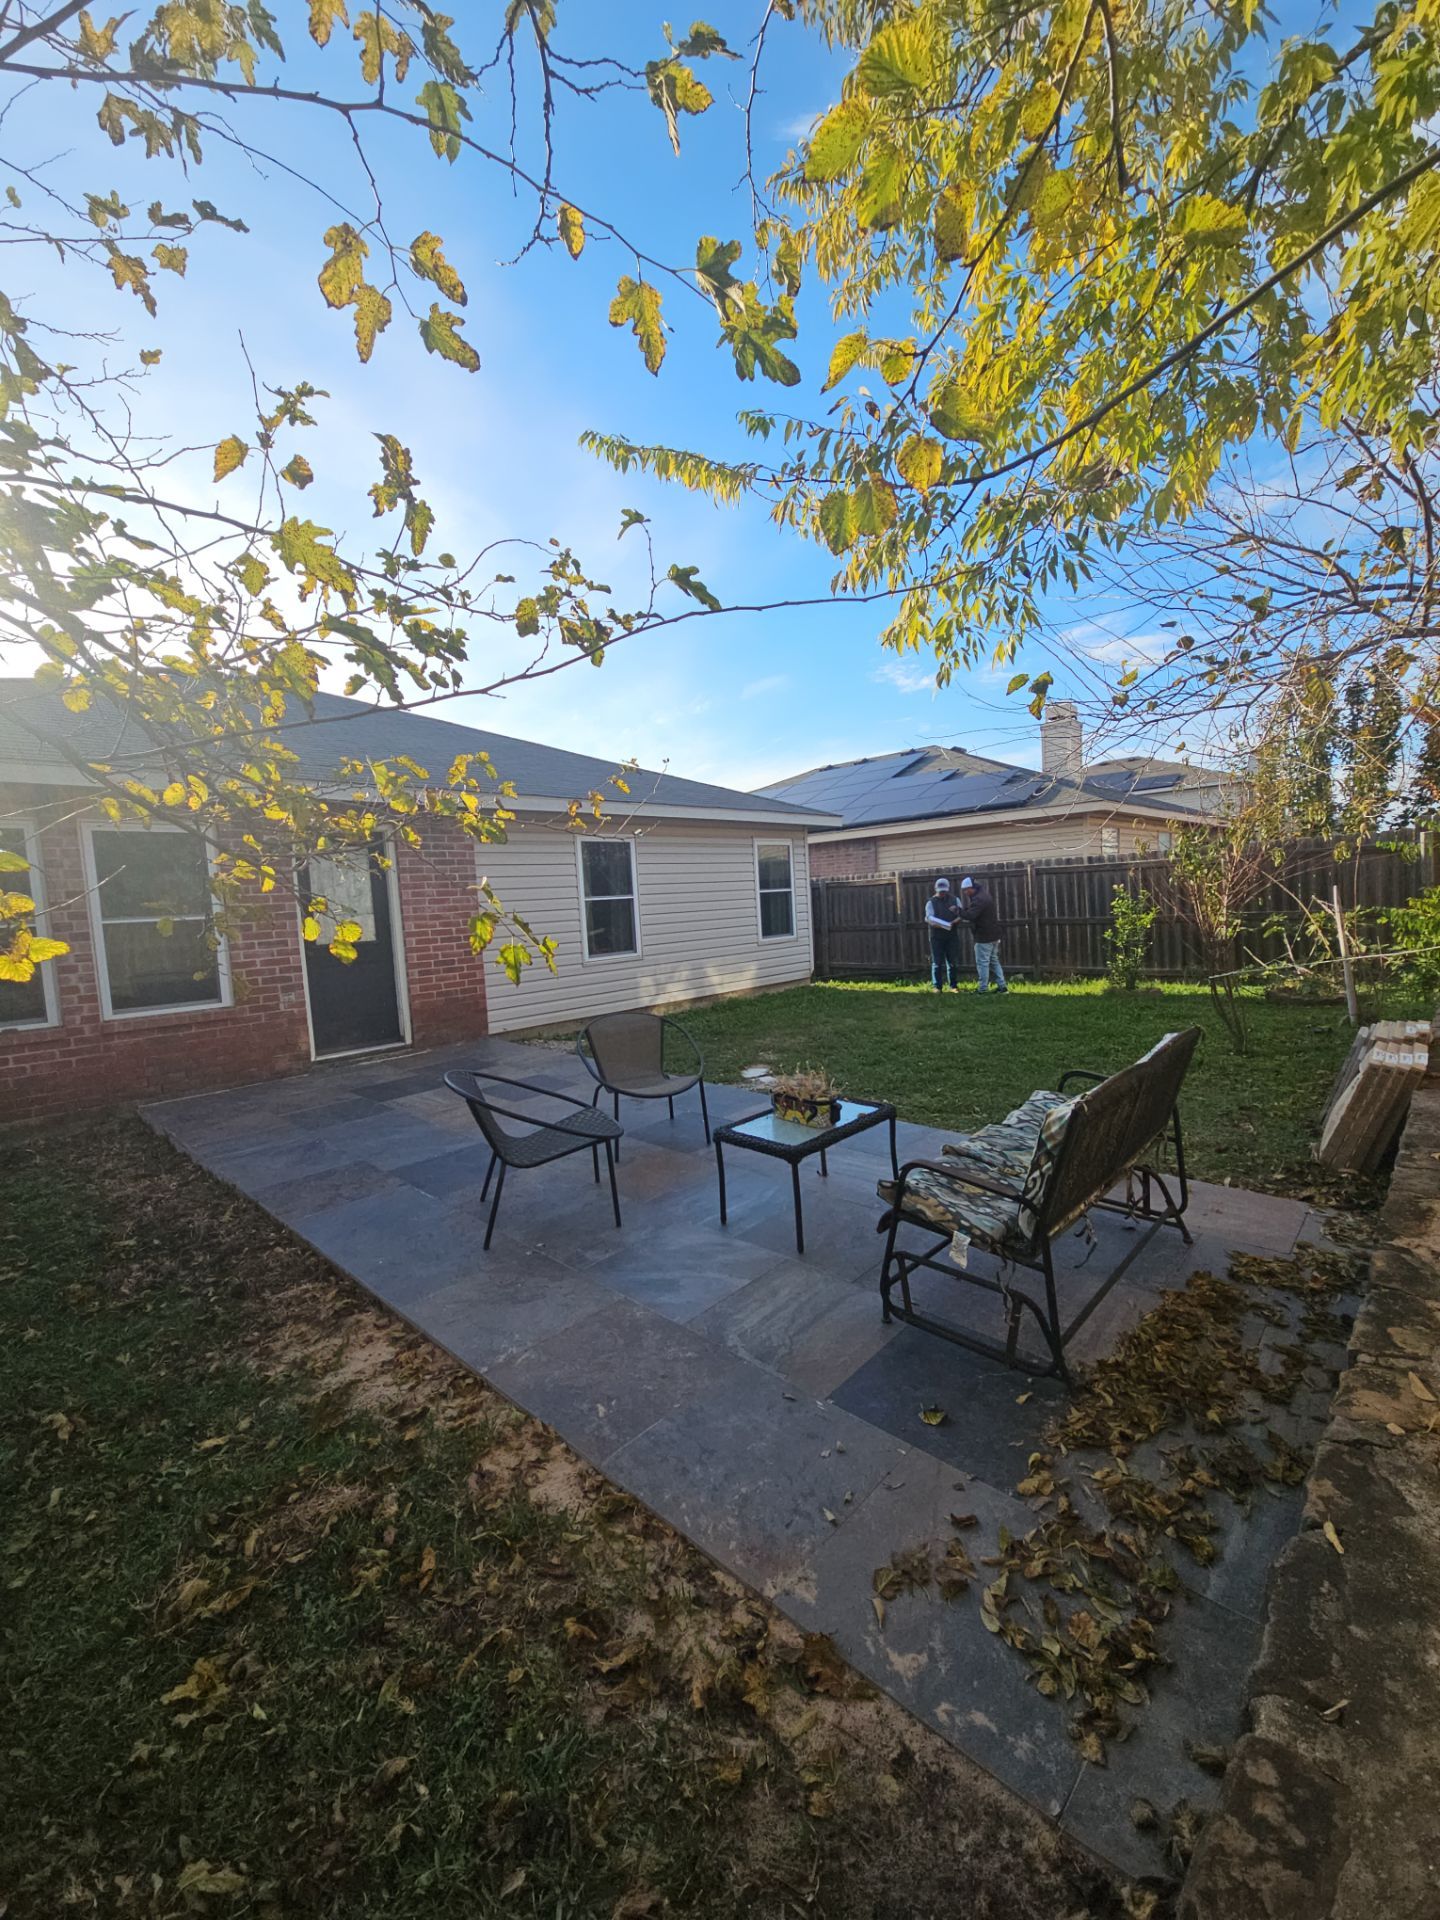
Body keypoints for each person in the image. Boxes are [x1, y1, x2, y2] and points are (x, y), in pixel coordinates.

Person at [959, 875, 1009, 994]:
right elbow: (975, 911)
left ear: (972, 887)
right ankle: (1002, 987)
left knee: (983, 963)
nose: (966, 892)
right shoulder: (984, 895)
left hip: (984, 936)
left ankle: (982, 989)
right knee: (994, 961)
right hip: (994, 935)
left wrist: (958, 911)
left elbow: (971, 915)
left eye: (967, 890)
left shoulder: (978, 899)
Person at [923, 876, 963, 992]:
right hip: (936, 936)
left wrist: (954, 922)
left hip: (952, 935)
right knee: (937, 962)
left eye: (944, 891)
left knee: (952, 962)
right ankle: (937, 986)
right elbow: (929, 918)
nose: (942, 894)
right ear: (936, 889)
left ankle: (953, 986)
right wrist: (938, 924)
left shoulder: (955, 900)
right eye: (941, 892)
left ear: (948, 889)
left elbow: (961, 914)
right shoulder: (931, 902)